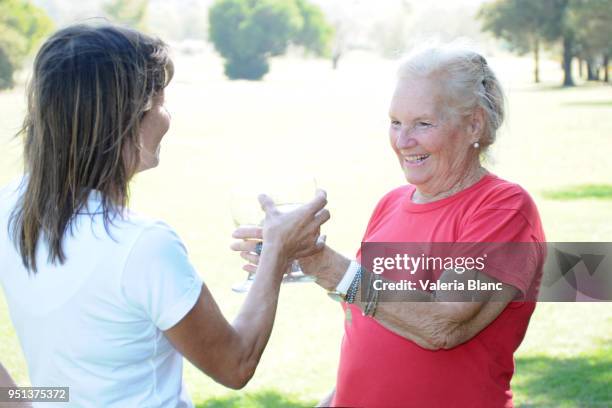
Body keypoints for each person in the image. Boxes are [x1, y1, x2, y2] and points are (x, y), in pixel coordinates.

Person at [0, 24, 329, 407]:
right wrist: (276, 251)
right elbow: (235, 363)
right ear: (125, 118)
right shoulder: (142, 246)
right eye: (160, 101)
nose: (167, 117)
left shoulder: (10, 207)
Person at [232, 44, 546, 407]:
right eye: (395, 122)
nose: (402, 141)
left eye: (423, 123)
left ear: (474, 123)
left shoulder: (502, 209)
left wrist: (325, 264)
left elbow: (444, 324)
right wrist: (296, 260)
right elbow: (374, 320)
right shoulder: (392, 203)